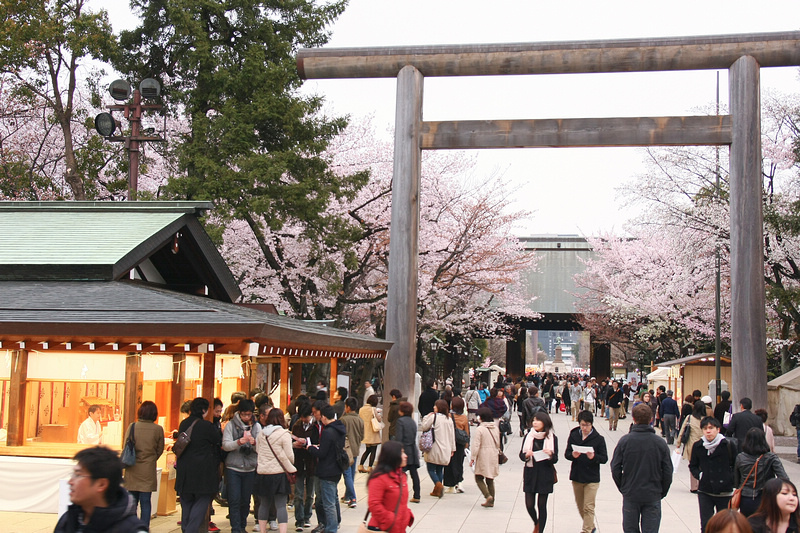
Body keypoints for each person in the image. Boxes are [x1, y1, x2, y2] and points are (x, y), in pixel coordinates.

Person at [54, 446, 147, 533]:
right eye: (73, 474)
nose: (70, 482)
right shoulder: (68, 520)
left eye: (78, 475)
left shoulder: (132, 529)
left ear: (101, 484)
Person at [611, 403, 673, 533]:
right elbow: (668, 470)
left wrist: (623, 486)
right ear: (651, 419)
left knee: (630, 529)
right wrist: (662, 491)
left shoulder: (625, 441)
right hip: (652, 493)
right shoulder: (660, 443)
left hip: (631, 493)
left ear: (633, 419)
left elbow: (615, 467)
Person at [175, 397, 221, 533]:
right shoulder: (206, 426)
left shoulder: (184, 424)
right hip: (203, 471)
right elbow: (217, 440)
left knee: (187, 500)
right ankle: (190, 530)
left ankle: (186, 528)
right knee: (202, 499)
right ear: (204, 410)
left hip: (185, 469)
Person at [689, 416, 738, 532]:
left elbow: (736, 466)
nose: (708, 431)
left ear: (718, 429)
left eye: (711, 428)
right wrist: (700, 475)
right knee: (706, 525)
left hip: (725, 491)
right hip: (705, 491)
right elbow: (693, 465)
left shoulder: (728, 445)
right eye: (705, 428)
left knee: (725, 525)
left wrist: (731, 479)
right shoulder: (698, 446)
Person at [122, 401, 164, 530]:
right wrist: (151, 458)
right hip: (147, 469)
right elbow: (160, 449)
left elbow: (126, 446)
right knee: (146, 502)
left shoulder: (132, 426)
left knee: (132, 502)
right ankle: (143, 529)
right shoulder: (157, 429)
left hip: (132, 469)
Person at [304, 405, 347, 533]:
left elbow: (322, 453)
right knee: (333, 498)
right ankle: (334, 525)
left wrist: (310, 448)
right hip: (336, 468)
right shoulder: (339, 428)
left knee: (328, 503)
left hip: (327, 469)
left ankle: (331, 529)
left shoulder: (328, 431)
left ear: (323, 417)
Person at [565, 410, 608, 533]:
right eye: (583, 425)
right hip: (577, 476)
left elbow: (604, 458)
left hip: (592, 478)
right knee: (581, 506)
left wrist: (594, 457)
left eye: (587, 425)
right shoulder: (574, 435)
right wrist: (573, 455)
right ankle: (591, 526)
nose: (585, 428)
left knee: (589, 507)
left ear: (592, 425)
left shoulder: (599, 439)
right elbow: (567, 454)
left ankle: (586, 530)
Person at [254, 408, 296, 533]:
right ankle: (282, 531)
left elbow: (257, 450)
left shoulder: (261, 433)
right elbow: (290, 456)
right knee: (281, 505)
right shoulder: (284, 434)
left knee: (264, 504)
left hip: (263, 473)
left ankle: (262, 530)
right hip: (278, 474)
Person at [222, 399, 260, 533]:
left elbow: (262, 448)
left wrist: (254, 443)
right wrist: (238, 442)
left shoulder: (256, 426)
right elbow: (225, 445)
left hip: (250, 467)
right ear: (239, 413)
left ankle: (242, 526)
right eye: (244, 414)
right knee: (234, 499)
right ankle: (235, 528)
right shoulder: (231, 425)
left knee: (245, 500)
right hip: (233, 467)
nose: (246, 417)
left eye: (249, 414)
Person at [735, 427, 791, 517]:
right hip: (766, 496)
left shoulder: (740, 457)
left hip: (746, 498)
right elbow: (784, 478)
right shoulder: (771, 458)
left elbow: (737, 481)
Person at [521, 410, 558, 533]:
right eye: (533, 420)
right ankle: (537, 523)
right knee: (529, 505)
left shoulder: (552, 438)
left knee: (542, 505)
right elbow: (521, 456)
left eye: (538, 420)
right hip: (531, 473)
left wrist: (551, 454)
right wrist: (527, 455)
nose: (535, 423)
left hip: (545, 474)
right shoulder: (529, 436)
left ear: (545, 422)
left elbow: (556, 459)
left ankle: (540, 530)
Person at [366, 441, 414, 533]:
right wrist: (390, 519)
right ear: (393, 456)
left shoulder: (401, 476)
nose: (405, 456)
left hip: (398, 527)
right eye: (402, 452)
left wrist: (407, 514)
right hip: (382, 528)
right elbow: (374, 504)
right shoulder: (379, 478)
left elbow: (401, 501)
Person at [419, 399, 456, 498]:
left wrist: (427, 416)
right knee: (440, 469)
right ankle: (437, 490)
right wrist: (453, 448)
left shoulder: (434, 417)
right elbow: (452, 435)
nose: (433, 407)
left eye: (435, 406)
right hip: (446, 448)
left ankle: (438, 485)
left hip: (435, 446)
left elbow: (424, 427)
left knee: (431, 468)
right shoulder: (449, 419)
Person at [290, 404, 315, 532]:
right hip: (299, 462)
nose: (304, 420)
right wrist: (295, 444)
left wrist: (308, 443)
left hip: (311, 463)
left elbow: (317, 442)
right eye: (302, 417)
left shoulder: (315, 426)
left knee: (310, 494)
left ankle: (307, 516)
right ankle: (299, 519)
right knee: (298, 494)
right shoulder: (297, 425)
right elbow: (291, 439)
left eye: (306, 417)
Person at [469, 407, 500, 508]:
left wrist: (473, 457)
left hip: (483, 454)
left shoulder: (480, 429)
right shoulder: (495, 428)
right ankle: (492, 500)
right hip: (493, 454)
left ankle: (487, 496)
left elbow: (476, 445)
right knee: (490, 478)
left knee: (478, 477)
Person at [392, 401, 421, 503]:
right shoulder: (412, 422)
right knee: (414, 474)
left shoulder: (400, 421)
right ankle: (417, 495)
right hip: (412, 449)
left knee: (398, 473)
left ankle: (397, 494)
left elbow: (399, 437)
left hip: (404, 450)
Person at [678, 400, 707, 493]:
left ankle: (694, 486)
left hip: (692, 444)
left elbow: (682, 430)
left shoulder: (690, 417)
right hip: (704, 444)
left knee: (693, 464)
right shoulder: (706, 419)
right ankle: (701, 484)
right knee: (703, 465)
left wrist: (678, 443)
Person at [340, 397, 363, 509]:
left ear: (348, 407)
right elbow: (362, 435)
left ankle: (352, 497)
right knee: (351, 474)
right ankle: (348, 495)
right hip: (355, 449)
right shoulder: (360, 419)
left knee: (347, 474)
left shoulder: (343, 420)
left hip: (346, 450)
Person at [444, 396, 469, 493]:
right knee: (459, 463)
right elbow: (467, 432)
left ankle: (451, 485)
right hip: (460, 443)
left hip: (450, 442)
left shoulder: (449, 416)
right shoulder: (464, 417)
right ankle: (460, 481)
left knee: (450, 464)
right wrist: (466, 444)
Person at [358, 394, 382, 473]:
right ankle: (370, 467)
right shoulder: (373, 409)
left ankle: (361, 465)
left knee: (367, 450)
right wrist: (379, 413)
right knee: (373, 450)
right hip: (373, 432)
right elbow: (379, 419)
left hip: (365, 432)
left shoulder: (361, 409)